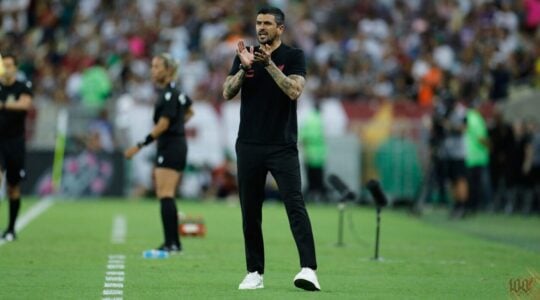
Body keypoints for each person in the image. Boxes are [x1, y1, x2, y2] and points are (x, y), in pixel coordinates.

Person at [222, 6, 320, 291]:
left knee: (295, 205)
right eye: (258, 23)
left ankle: (308, 269)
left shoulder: (293, 56)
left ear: (281, 28)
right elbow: (227, 92)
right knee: (250, 210)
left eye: (267, 23)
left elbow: (294, 90)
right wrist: (244, 67)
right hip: (249, 144)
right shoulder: (246, 55)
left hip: (282, 145)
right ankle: (254, 271)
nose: (261, 27)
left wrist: (268, 65)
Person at [124, 53, 194, 252]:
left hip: (171, 146)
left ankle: (172, 242)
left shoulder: (169, 94)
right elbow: (190, 111)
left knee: (165, 193)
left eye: (157, 67)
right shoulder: (175, 92)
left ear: (168, 70)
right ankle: (172, 242)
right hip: (174, 145)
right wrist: (178, 125)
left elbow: (163, 124)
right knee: (164, 193)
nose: (152, 71)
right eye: (152, 66)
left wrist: (139, 145)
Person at [0, 53, 33, 241]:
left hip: (15, 143)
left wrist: (4, 105)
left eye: (10, 65)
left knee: (13, 187)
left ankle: (11, 229)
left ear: (16, 68)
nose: (6, 69)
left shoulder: (23, 87)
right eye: (4, 65)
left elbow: (25, 105)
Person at [299, 102, 327, 202]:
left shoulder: (308, 119)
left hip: (309, 153)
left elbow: (303, 138)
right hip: (319, 154)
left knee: (310, 177)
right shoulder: (321, 119)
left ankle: (311, 196)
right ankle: (319, 196)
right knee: (319, 177)